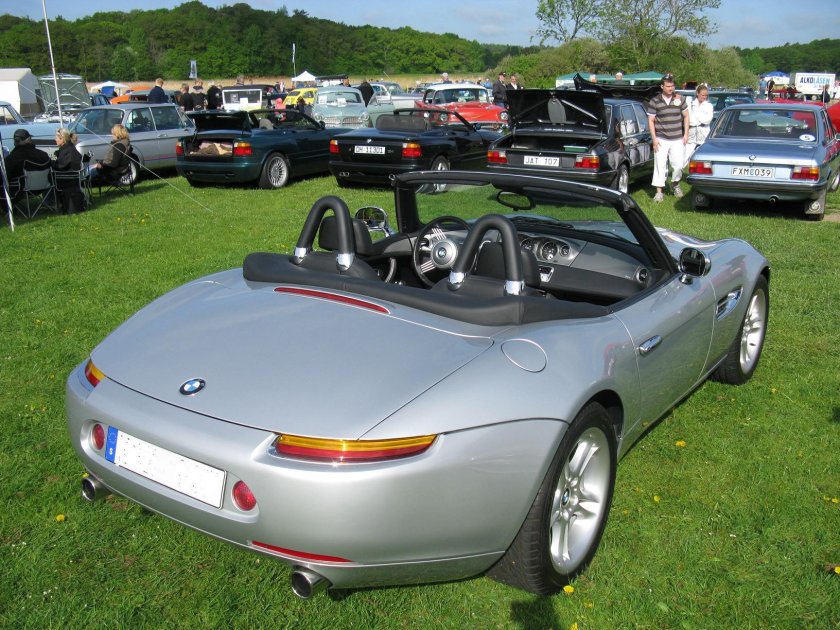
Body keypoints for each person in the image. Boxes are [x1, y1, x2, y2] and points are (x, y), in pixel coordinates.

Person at [646, 73, 689, 202]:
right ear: (662, 86)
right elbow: (651, 120)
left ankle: (675, 184)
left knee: (678, 165)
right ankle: (659, 192)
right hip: (661, 138)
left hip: (677, 138)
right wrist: (654, 139)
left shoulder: (680, 99)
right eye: (668, 86)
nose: (671, 88)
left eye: (672, 86)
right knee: (659, 165)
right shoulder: (655, 101)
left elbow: (686, 116)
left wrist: (686, 134)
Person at [53, 128, 84, 214]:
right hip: (75, 179)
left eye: (57, 138)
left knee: (48, 178)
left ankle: (51, 204)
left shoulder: (66, 151)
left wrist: (51, 163)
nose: (55, 139)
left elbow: (60, 166)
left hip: (66, 179)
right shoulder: (71, 148)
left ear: (62, 139)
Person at [685, 84, 714, 163]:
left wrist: (696, 114)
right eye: (703, 95)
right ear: (697, 93)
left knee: (702, 158)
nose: (704, 97)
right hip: (691, 133)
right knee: (685, 157)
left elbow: (707, 120)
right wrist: (701, 116)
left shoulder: (709, 106)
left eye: (706, 95)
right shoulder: (691, 104)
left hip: (704, 133)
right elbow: (690, 120)